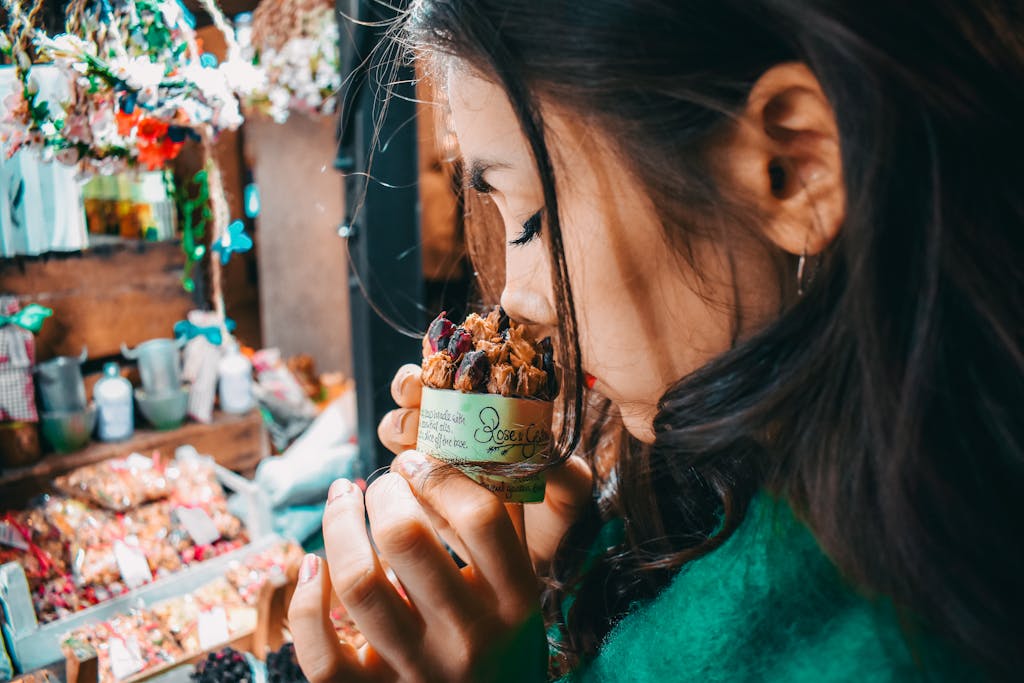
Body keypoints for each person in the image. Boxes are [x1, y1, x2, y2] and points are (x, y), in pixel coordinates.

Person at [287, 1, 1024, 680]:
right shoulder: (720, 491)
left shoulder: (896, 648)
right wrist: (560, 565)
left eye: (533, 219)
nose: (517, 300)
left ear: (792, 168)